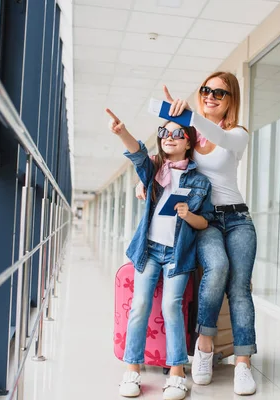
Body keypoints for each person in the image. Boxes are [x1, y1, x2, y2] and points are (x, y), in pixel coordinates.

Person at [136, 72, 258, 396]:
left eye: (219, 92)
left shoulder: (238, 134)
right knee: (216, 267)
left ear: (231, 99)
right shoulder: (191, 134)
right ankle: (204, 344)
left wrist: (187, 113)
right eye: (206, 90)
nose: (210, 96)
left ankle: (243, 365)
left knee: (240, 286)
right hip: (205, 221)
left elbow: (219, 134)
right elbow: (166, 160)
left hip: (238, 219)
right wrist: (143, 180)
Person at [107, 108, 213, 400]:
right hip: (149, 250)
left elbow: (204, 222)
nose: (169, 137)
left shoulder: (201, 181)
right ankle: (132, 370)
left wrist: (188, 214)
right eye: (164, 133)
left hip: (178, 254)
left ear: (189, 141)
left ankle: (177, 373)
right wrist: (122, 132)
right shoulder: (153, 170)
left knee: (172, 307)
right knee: (139, 305)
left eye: (177, 133)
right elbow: (138, 154)